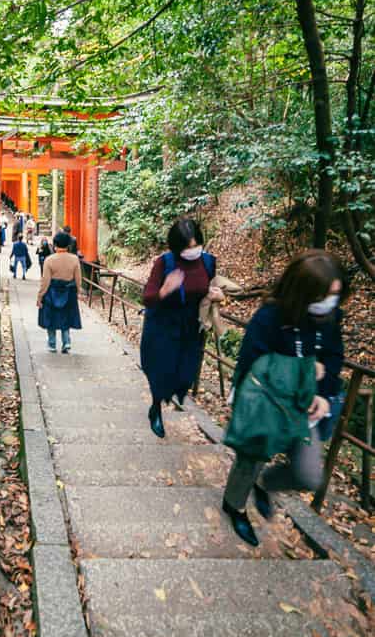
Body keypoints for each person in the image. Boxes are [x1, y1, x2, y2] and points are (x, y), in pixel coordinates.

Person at [221, 250, 346, 548]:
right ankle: (234, 506)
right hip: (265, 403)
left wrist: (326, 394)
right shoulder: (270, 318)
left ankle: (265, 483)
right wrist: (303, 371)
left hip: (306, 407)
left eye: (336, 295)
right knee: (249, 461)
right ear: (303, 292)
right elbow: (254, 365)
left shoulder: (330, 317)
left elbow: (333, 357)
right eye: (326, 295)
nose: (331, 302)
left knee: (308, 475)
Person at [141, 218, 222, 438]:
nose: (193, 250)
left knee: (186, 372)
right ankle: (155, 407)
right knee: (160, 371)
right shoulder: (164, 263)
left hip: (189, 325)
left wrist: (216, 296)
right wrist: (164, 290)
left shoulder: (208, 262)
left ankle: (172, 393)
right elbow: (147, 297)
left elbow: (211, 286)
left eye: (196, 245)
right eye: (188, 247)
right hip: (162, 324)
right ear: (176, 247)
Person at [37, 231, 82, 353]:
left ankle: (52, 344)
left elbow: (45, 280)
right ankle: (66, 343)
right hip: (69, 291)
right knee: (66, 318)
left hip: (51, 291)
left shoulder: (49, 260)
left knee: (50, 318)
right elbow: (78, 278)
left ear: (55, 245)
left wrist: (40, 296)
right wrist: (79, 291)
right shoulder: (74, 259)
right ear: (68, 245)